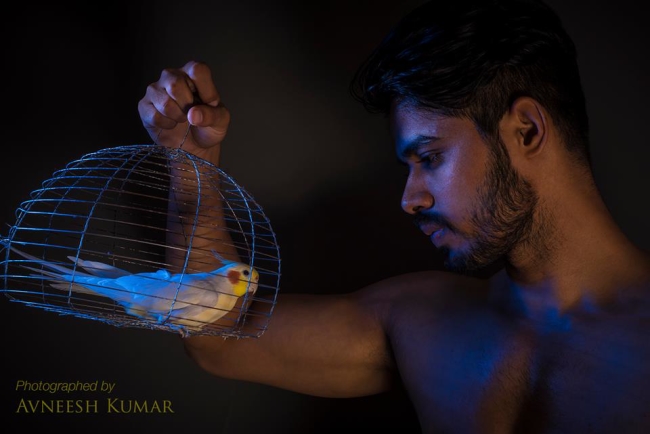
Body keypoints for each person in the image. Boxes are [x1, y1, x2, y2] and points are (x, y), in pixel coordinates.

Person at [137, 0, 650, 432]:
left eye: (429, 158)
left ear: (526, 132)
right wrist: (191, 163)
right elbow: (214, 339)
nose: (410, 200)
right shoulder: (420, 321)